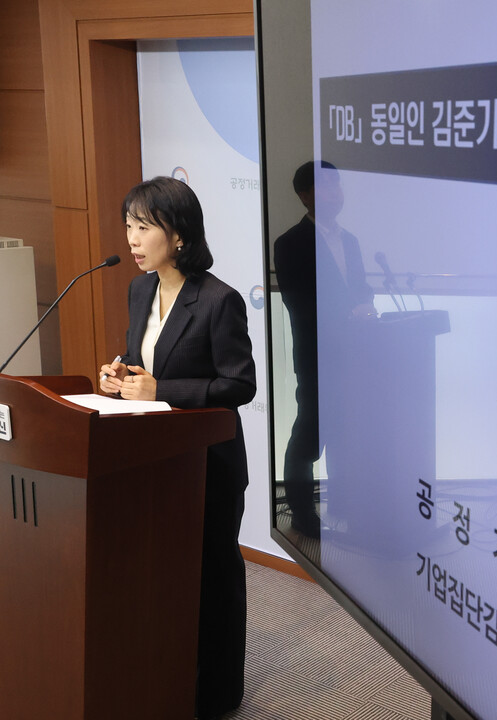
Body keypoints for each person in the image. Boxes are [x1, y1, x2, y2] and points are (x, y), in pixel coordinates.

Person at [99, 176, 256, 720]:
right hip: (159, 463)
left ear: (180, 235)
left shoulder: (218, 300)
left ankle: (218, 694)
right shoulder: (139, 290)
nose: (132, 239)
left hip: (209, 464)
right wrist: (120, 376)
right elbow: (144, 360)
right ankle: (169, 680)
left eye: (144, 227)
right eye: (129, 226)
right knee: (164, 577)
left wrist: (161, 390)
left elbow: (239, 385)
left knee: (214, 576)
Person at [274, 161, 375, 538]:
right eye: (326, 186)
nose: (336, 193)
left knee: (347, 433)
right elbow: (298, 303)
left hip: (356, 356)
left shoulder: (351, 240)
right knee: (309, 435)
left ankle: (345, 505)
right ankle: (302, 514)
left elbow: (360, 287)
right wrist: (349, 312)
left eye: (338, 185)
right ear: (305, 195)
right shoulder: (289, 243)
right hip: (318, 356)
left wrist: (367, 304)